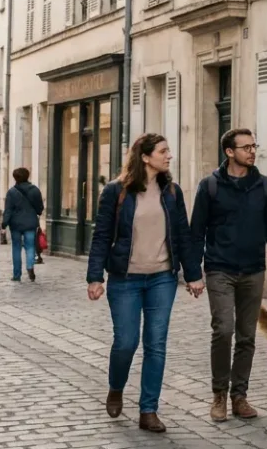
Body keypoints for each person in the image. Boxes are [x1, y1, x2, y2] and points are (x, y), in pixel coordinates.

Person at [86, 134, 202, 433]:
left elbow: (183, 235)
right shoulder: (116, 191)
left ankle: (148, 409)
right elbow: (101, 236)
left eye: (169, 151)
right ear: (146, 157)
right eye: (163, 151)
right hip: (125, 279)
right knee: (126, 342)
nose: (169, 156)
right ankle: (116, 387)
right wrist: (95, 276)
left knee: (156, 345)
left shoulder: (172, 192)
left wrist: (192, 274)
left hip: (162, 278)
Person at [189, 128, 267, 422]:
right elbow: (196, 233)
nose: (252, 152)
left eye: (253, 146)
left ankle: (239, 396)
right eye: (245, 147)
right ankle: (219, 393)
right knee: (223, 330)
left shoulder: (264, 186)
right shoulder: (210, 187)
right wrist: (194, 273)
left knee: (246, 336)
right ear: (229, 152)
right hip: (220, 268)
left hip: (253, 270)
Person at [2, 167, 44, 282]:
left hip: (15, 224)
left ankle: (17, 274)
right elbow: (40, 207)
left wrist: (4, 224)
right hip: (30, 222)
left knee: (16, 248)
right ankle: (30, 267)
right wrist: (37, 212)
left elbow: (8, 210)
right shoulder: (35, 190)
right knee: (30, 246)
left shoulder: (11, 192)